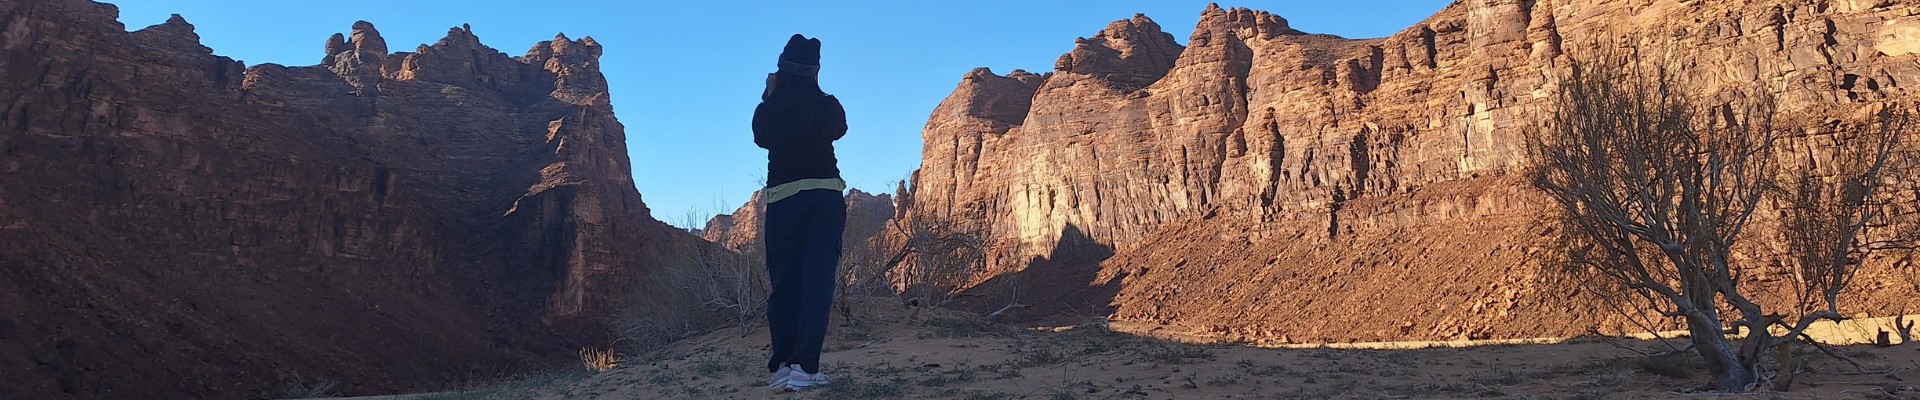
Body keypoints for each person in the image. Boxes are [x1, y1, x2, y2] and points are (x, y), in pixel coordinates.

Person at [754, 33, 846, 391]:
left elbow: (761, 135)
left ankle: (782, 366)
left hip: (783, 201)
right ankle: (805, 369)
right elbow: (839, 127)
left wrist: (771, 95)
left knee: (785, 283)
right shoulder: (828, 105)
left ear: (780, 68)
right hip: (825, 197)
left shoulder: (770, 108)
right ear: (815, 70)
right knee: (817, 282)